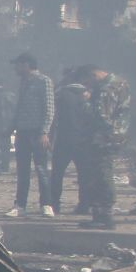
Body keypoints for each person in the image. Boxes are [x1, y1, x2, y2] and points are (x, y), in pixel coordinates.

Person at [80, 67, 131, 229]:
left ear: (93, 75)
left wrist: (86, 101)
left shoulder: (104, 90)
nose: (87, 85)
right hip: (115, 135)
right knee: (102, 173)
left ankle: (104, 216)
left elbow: (100, 116)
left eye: (87, 82)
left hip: (102, 138)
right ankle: (101, 214)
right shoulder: (121, 83)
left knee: (101, 175)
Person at [7, 53, 56, 217]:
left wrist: (44, 132)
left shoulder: (44, 81)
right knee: (22, 170)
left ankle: (47, 203)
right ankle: (20, 204)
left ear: (27, 64)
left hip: (37, 132)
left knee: (41, 169)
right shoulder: (23, 83)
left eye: (18, 65)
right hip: (22, 132)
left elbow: (49, 108)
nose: (16, 68)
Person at [45, 66, 95, 217]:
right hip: (83, 139)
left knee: (57, 174)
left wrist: (50, 136)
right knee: (84, 174)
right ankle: (84, 204)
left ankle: (55, 204)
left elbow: (54, 117)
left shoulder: (61, 93)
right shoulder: (90, 94)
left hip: (64, 139)